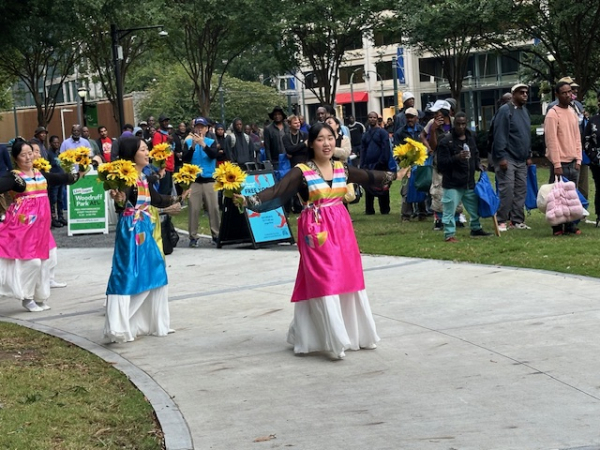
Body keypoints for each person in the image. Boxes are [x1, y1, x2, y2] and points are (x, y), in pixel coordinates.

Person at [235, 123, 396, 359]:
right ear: (311, 143)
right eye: (320, 139)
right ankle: (334, 340)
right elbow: (278, 190)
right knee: (325, 281)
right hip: (316, 230)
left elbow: (369, 176)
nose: (327, 143)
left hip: (342, 229)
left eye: (330, 138)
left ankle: (354, 334)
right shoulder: (301, 171)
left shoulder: (342, 168)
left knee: (349, 279)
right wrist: (250, 200)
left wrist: (395, 174)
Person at [104, 137, 186, 342]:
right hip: (131, 230)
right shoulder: (126, 179)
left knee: (156, 269)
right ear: (132, 154)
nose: (147, 152)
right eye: (143, 149)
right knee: (127, 272)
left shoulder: (143, 177)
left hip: (145, 228)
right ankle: (118, 326)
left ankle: (155, 323)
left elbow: (156, 200)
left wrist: (179, 197)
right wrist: (119, 199)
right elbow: (121, 201)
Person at [0, 140, 85, 312]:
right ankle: (26, 297)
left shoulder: (40, 174)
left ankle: (40, 296)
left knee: (49, 259)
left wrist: (79, 173)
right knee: (32, 263)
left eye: (30, 153)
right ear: (16, 158)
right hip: (23, 228)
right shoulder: (14, 177)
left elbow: (61, 178)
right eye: (23, 155)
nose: (28, 157)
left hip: (41, 229)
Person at [437, 113, 492, 242]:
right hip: (452, 182)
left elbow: (475, 153)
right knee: (449, 208)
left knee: (474, 208)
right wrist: (457, 157)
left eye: (463, 124)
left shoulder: (471, 137)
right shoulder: (446, 140)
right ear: (453, 124)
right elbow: (441, 164)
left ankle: (476, 228)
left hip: (468, 181)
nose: (461, 127)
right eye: (458, 124)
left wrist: (478, 164)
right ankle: (449, 234)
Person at [491, 83, 532, 231]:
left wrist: (528, 154)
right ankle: (501, 220)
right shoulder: (505, 110)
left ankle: (517, 221)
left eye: (526, 92)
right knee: (507, 189)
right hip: (507, 157)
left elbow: (526, 135)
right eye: (521, 92)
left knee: (521, 190)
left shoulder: (525, 112)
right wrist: (501, 157)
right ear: (513, 94)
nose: (525, 95)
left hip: (521, 158)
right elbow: (500, 134)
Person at [544, 81, 583, 236]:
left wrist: (579, 159)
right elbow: (551, 141)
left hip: (574, 161)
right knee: (557, 197)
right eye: (564, 93)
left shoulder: (573, 112)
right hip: (560, 163)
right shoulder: (553, 114)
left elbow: (577, 138)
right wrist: (556, 163)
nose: (568, 95)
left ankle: (570, 225)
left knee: (571, 197)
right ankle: (557, 227)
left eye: (569, 92)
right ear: (557, 95)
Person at [182, 117, 221, 246]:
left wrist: (203, 144)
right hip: (195, 181)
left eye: (202, 127)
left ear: (206, 129)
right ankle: (193, 237)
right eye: (197, 127)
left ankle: (216, 234)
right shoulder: (188, 142)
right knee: (193, 208)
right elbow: (185, 159)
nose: (199, 129)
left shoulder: (211, 142)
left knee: (213, 208)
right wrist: (193, 146)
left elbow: (214, 155)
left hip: (209, 180)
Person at [395, 108, 427, 221]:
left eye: (412, 117)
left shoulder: (422, 130)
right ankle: (406, 215)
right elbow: (396, 149)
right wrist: (403, 162)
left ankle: (423, 213)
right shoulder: (400, 132)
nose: (409, 119)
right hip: (406, 164)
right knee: (406, 190)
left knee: (421, 186)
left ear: (416, 118)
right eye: (407, 117)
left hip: (420, 163)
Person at [361, 111, 392, 215]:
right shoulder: (365, 135)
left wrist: (382, 162)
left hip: (381, 165)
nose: (372, 119)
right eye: (370, 117)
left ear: (377, 119)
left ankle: (384, 209)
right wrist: (362, 165)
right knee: (368, 187)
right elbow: (363, 150)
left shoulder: (382, 133)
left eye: (374, 117)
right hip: (368, 166)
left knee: (383, 187)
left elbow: (385, 148)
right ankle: (369, 210)